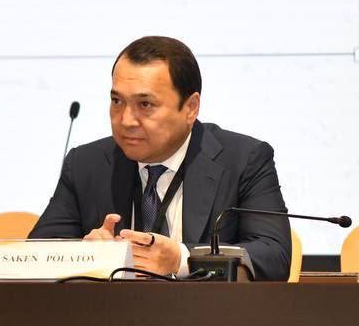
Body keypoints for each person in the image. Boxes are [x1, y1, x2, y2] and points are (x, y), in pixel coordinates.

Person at [30, 36, 292, 280]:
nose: (126, 120)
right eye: (117, 101)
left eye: (145, 104)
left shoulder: (244, 160)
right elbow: (34, 257)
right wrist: (84, 254)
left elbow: (273, 255)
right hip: (113, 313)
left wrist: (181, 259)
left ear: (190, 108)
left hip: (207, 313)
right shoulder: (86, 163)